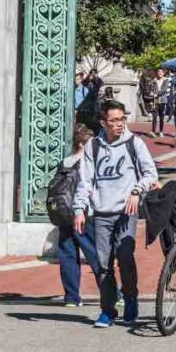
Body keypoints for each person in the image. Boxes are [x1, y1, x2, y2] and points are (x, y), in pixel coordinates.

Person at [73, 100, 158, 328]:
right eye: (114, 120)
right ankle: (108, 310)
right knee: (103, 265)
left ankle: (131, 299)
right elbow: (85, 180)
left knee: (126, 258)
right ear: (103, 122)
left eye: (122, 119)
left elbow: (150, 174)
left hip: (125, 212)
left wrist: (136, 191)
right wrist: (79, 208)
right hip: (101, 212)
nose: (119, 124)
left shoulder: (135, 144)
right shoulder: (93, 146)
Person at [58, 123, 101, 307]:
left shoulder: (65, 162)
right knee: (95, 255)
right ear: (82, 144)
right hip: (84, 214)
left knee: (67, 255)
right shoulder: (87, 163)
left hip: (63, 214)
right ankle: (112, 293)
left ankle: (71, 297)